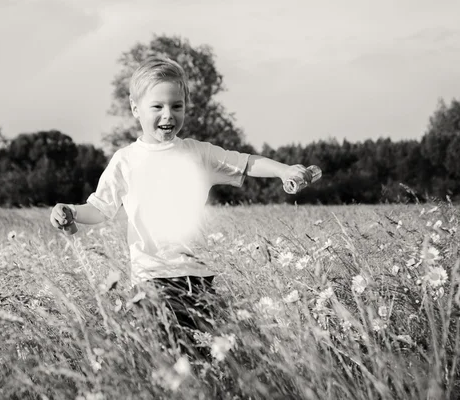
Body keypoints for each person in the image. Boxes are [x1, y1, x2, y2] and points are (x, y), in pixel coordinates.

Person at [50, 56, 312, 356]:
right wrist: (70, 211)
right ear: (135, 109)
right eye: (157, 106)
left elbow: (247, 162)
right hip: (150, 281)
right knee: (166, 359)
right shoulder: (125, 160)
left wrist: (283, 170)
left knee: (208, 357)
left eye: (177, 106)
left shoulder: (197, 153)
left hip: (198, 278)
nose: (168, 114)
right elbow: (99, 208)